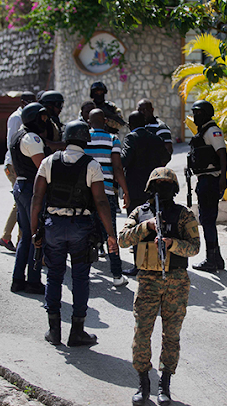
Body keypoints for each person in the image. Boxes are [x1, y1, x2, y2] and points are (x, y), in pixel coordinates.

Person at [30, 120, 118, 347]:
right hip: (81, 227)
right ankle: (77, 332)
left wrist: (34, 232)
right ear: (85, 141)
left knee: (54, 276)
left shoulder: (48, 162)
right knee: (80, 278)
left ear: (67, 138)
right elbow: (100, 201)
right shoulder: (92, 165)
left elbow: (37, 198)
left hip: (53, 226)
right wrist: (110, 235)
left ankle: (54, 331)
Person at [118, 167, 200, 406]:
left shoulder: (184, 215)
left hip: (176, 281)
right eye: (157, 186)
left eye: (166, 186)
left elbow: (194, 247)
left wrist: (171, 243)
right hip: (148, 281)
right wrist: (148, 227)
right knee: (142, 332)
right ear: (150, 189)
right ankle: (143, 383)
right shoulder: (140, 213)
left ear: (173, 190)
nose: (161, 191)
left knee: (171, 335)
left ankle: (164, 384)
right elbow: (122, 240)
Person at [84, 108, 131, 287]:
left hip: (86, 195)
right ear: (105, 121)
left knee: (85, 234)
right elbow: (118, 168)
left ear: (89, 122)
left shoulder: (84, 138)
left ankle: (84, 274)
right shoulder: (113, 139)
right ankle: (117, 275)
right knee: (110, 234)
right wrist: (125, 191)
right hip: (107, 195)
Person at [121, 111, 171, 276]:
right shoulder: (156, 138)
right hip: (153, 189)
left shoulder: (131, 138)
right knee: (155, 223)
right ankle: (156, 261)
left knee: (136, 226)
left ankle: (138, 264)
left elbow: (124, 160)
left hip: (135, 189)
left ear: (130, 125)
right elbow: (166, 157)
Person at [9, 103, 48, 295]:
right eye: (42, 117)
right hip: (32, 190)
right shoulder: (32, 138)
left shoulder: (18, 134)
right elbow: (43, 167)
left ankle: (18, 280)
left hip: (21, 186)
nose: (44, 121)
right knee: (36, 235)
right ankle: (33, 281)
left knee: (25, 236)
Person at [187, 100, 227, 272]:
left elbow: (223, 154)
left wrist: (223, 178)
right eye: (194, 113)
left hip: (211, 180)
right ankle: (216, 258)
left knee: (208, 220)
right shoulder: (204, 131)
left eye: (198, 113)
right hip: (205, 180)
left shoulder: (212, 131)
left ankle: (212, 259)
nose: (195, 116)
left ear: (205, 113)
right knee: (207, 219)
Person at [0, 91, 35, 252]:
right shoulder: (16, 117)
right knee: (22, 200)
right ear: (21, 102)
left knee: (23, 201)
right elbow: (11, 143)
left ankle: (11, 237)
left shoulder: (31, 115)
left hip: (21, 163)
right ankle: (14, 238)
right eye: (28, 101)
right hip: (14, 164)